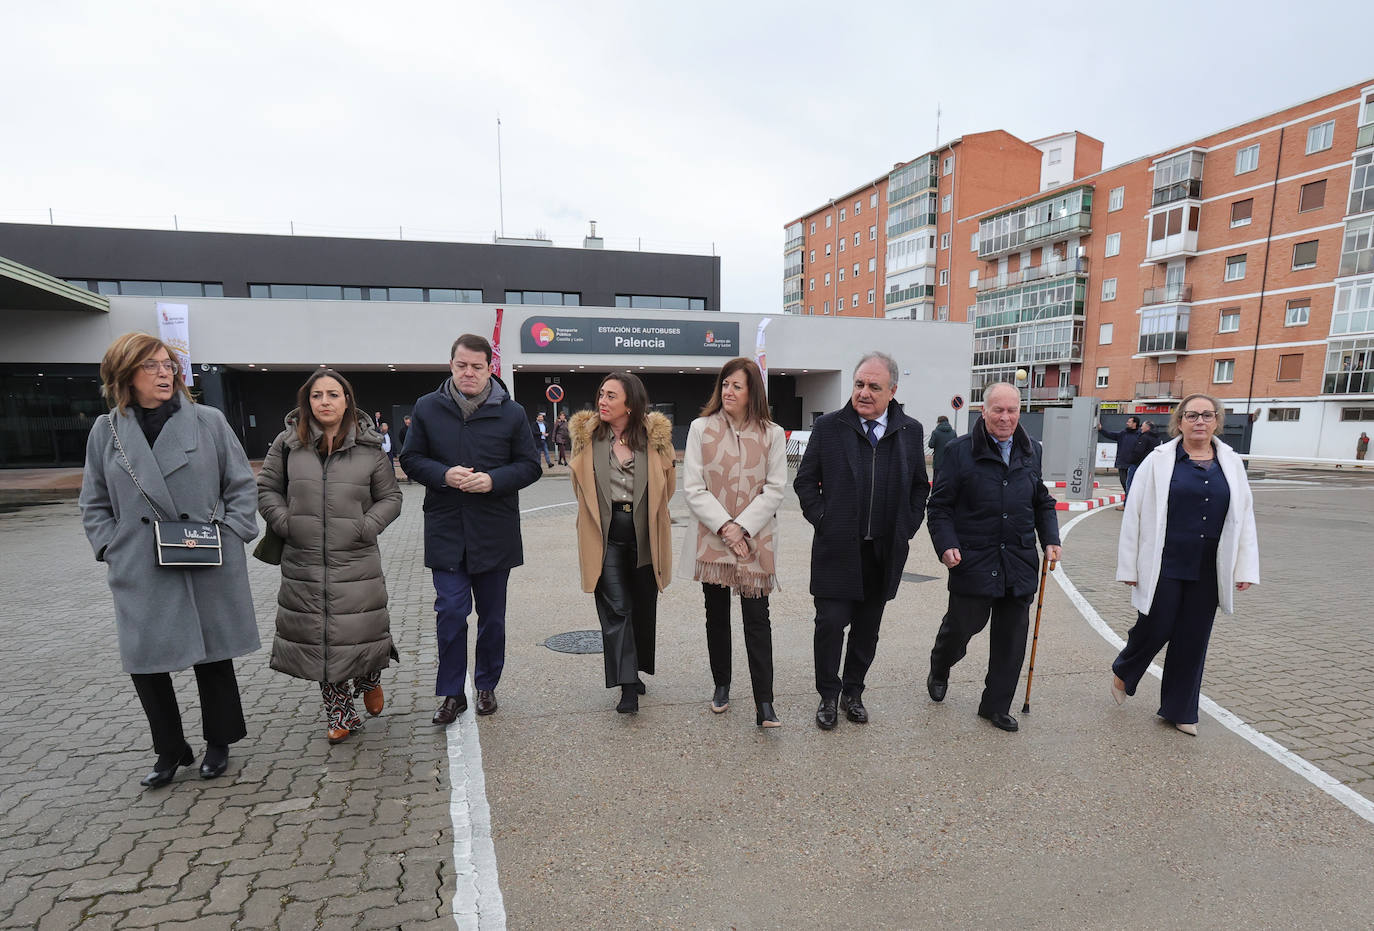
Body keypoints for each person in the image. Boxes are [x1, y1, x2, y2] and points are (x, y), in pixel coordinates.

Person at [79, 332, 260, 788]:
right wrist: (110, 546)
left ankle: (218, 742)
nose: (164, 373)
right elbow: (93, 501)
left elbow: (240, 485)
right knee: (145, 659)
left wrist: (231, 532)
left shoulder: (208, 420)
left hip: (203, 550)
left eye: (168, 365)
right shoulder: (107, 432)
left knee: (212, 653)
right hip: (140, 560)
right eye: (151, 366)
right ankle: (169, 748)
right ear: (125, 376)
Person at [400, 334, 541, 724]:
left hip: (494, 532)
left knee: (492, 617)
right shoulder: (428, 408)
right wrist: (444, 474)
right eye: (462, 365)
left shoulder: (511, 412)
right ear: (451, 365)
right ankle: (451, 694)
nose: (469, 373)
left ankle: (486, 686)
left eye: (477, 367)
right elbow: (410, 458)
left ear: (490, 368)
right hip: (447, 529)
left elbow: (530, 466)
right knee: (450, 611)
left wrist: (493, 480)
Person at [257, 370, 402, 744]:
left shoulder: (369, 446)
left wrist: (365, 526)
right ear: (307, 401)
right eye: (317, 395)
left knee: (359, 630)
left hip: (355, 557)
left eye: (333, 394)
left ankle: (370, 677)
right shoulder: (288, 444)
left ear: (347, 400)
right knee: (320, 635)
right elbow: (268, 488)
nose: (325, 401)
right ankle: (341, 714)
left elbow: (391, 498)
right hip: (303, 559)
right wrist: (284, 521)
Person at [794, 352, 929, 730]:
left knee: (867, 630)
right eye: (859, 384)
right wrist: (824, 520)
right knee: (830, 625)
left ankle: (853, 693)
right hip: (837, 551)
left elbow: (920, 486)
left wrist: (906, 527)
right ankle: (828, 696)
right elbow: (805, 482)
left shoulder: (910, 431)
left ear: (892, 391)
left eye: (873, 386)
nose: (864, 393)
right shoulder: (830, 428)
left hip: (882, 553)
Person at [1112, 394, 1259, 736]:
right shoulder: (1158, 461)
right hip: (1164, 561)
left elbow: (1245, 518)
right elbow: (1133, 514)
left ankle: (1179, 708)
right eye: (1192, 415)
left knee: (1194, 637)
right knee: (1157, 625)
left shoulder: (1231, 464)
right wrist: (1129, 568)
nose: (1200, 421)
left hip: (1209, 566)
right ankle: (1125, 668)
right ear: (1179, 422)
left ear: (1217, 421)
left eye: (1207, 415)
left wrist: (1244, 567)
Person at [926, 382, 1061, 733]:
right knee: (961, 627)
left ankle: (995, 706)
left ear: (1019, 413)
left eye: (1012, 410)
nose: (1005, 417)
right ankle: (941, 663)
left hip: (1017, 559)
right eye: (998, 410)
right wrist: (946, 544)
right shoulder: (958, 451)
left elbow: (1041, 500)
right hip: (973, 558)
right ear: (983, 411)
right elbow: (939, 507)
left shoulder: (1032, 451)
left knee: (1012, 638)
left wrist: (1051, 538)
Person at [681, 358, 786, 727]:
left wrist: (742, 528)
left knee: (758, 617)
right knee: (717, 614)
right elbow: (693, 487)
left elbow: (775, 489)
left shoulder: (772, 433)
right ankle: (721, 684)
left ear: (752, 391)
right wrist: (727, 527)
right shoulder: (700, 428)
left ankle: (765, 702)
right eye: (725, 384)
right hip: (714, 537)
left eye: (737, 386)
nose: (728, 391)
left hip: (755, 540)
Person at [569, 373, 675, 714]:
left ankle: (636, 668)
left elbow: (667, 487)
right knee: (617, 608)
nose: (602, 400)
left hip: (644, 532)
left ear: (629, 404)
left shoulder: (655, 439)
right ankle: (627, 686)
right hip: (606, 535)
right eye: (601, 394)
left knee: (643, 606)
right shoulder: (587, 438)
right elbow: (580, 488)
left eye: (611, 396)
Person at [1098, 415, 1141, 510]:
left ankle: (1129, 503)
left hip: (1133, 464)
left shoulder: (1140, 435)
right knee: (1124, 482)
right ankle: (1129, 501)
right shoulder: (1123, 433)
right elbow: (1111, 435)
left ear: (1135, 424)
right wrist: (1101, 430)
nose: (1127, 423)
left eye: (1129, 422)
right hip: (1122, 462)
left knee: (1131, 484)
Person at [1126, 420, 1160, 491]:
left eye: (1142, 426)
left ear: (1147, 427)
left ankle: (1129, 501)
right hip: (1148, 466)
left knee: (1131, 487)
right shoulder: (1156, 438)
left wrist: (1131, 460)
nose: (1141, 428)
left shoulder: (1144, 437)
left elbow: (1138, 451)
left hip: (1137, 465)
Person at [927, 414, 957, 481]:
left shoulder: (935, 432)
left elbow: (931, 445)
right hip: (950, 461)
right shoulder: (953, 433)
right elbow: (956, 445)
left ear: (939, 422)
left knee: (936, 480)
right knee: (948, 480)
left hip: (938, 461)